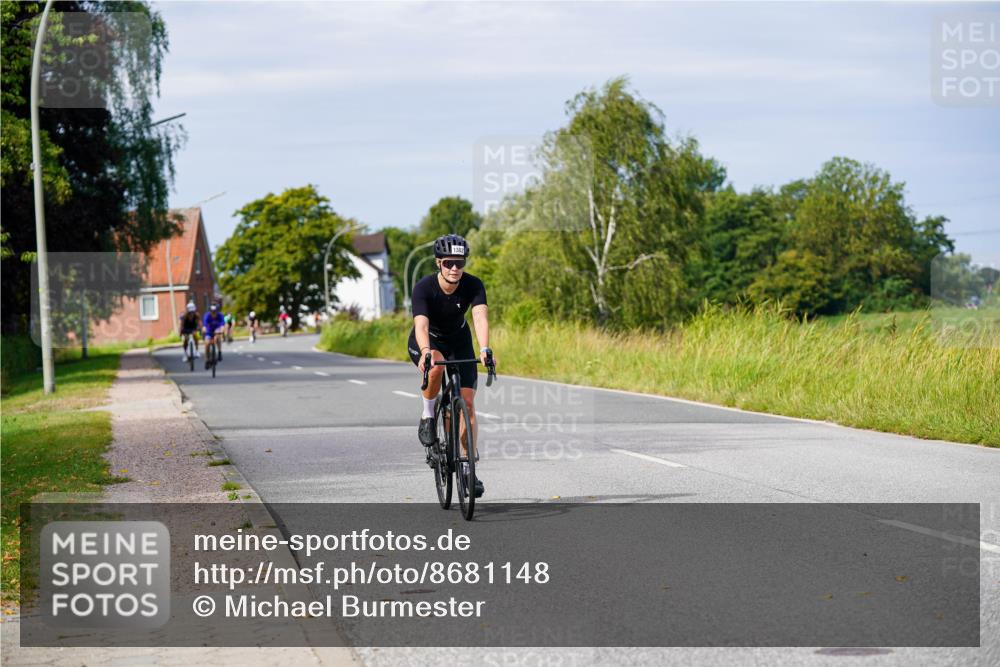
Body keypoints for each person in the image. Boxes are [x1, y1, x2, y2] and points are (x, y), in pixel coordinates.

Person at [407, 234, 494, 498]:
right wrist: (424, 352)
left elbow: (479, 317)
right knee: (436, 366)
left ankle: (469, 470)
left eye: (460, 262)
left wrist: (485, 349)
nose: (455, 268)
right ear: (438, 263)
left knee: (467, 405)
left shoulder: (473, 285)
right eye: (449, 263)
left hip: (459, 339)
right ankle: (428, 414)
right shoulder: (424, 287)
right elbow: (420, 325)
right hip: (428, 340)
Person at [202, 303, 226, 369]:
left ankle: (219, 352)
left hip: (217, 330)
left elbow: (222, 325)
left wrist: (222, 330)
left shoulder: (220, 315)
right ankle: (207, 360)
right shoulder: (207, 315)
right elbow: (204, 325)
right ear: (210, 311)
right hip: (209, 331)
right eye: (212, 311)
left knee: (217, 337)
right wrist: (204, 329)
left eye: (215, 311)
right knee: (207, 343)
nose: (213, 313)